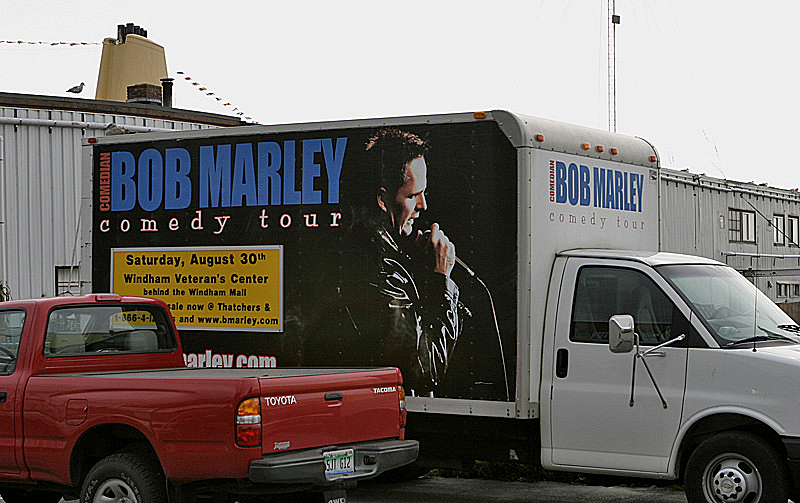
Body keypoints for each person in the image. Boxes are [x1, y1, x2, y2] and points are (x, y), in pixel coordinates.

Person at [304, 128, 465, 396]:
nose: (423, 205)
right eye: (413, 195)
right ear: (382, 200)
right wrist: (441, 280)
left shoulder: (375, 252)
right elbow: (426, 371)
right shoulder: (381, 271)